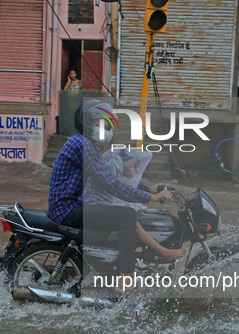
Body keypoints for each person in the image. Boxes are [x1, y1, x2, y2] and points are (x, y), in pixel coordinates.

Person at [48, 100, 173, 291]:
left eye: (107, 124)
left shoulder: (85, 144)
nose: (105, 128)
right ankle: (125, 278)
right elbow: (109, 183)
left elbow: (113, 175)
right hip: (66, 208)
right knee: (126, 216)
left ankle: (109, 268)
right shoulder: (82, 145)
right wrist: (149, 198)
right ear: (89, 121)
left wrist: (149, 189)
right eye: (102, 123)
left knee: (123, 213)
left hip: (74, 204)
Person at [84, 148, 188, 262]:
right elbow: (122, 188)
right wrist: (151, 197)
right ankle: (164, 252)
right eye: (133, 166)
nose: (137, 170)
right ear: (122, 165)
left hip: (102, 204)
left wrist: (150, 189)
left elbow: (129, 182)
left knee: (140, 214)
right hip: (96, 206)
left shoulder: (115, 170)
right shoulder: (113, 172)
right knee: (134, 223)